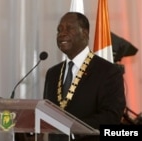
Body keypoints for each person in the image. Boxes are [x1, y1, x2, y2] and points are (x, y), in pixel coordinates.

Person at [43, 12, 126, 141]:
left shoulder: (108, 71)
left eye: (69, 28)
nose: (62, 33)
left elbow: (111, 117)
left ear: (85, 33)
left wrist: (74, 128)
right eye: (59, 30)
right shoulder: (52, 73)